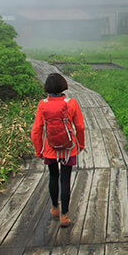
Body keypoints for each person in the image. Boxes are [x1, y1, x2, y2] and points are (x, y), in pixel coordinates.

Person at [30, 72, 86, 228]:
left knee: (53, 176)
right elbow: (80, 127)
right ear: (63, 85)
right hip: (68, 149)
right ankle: (65, 216)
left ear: (47, 87)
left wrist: (38, 149)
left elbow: (36, 129)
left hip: (49, 148)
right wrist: (80, 144)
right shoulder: (71, 103)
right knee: (65, 179)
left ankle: (54, 208)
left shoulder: (42, 105)